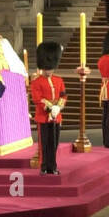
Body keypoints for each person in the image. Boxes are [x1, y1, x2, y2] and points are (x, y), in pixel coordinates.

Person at [30, 41, 66, 174]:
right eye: (47, 68)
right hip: (43, 118)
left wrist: (59, 107)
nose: (49, 70)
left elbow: (63, 95)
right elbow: (37, 99)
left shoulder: (59, 80)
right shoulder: (36, 82)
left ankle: (53, 167)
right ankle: (44, 167)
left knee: (54, 144)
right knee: (44, 144)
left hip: (57, 117)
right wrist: (52, 108)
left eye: (51, 67)